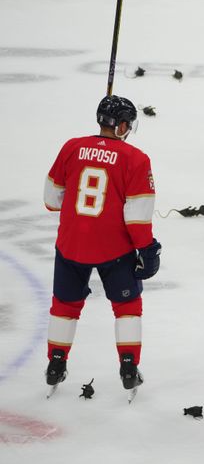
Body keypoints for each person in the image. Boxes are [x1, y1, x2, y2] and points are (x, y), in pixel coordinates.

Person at [43, 95, 161, 398]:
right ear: (122, 125)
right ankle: (128, 367)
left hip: (71, 245)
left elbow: (51, 199)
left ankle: (56, 363)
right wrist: (147, 249)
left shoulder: (71, 147)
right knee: (127, 306)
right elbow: (137, 218)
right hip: (115, 249)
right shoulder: (136, 158)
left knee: (65, 305)